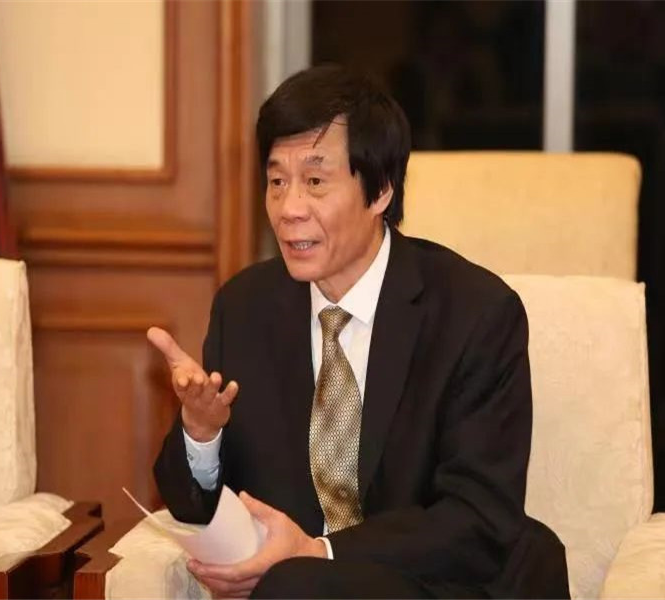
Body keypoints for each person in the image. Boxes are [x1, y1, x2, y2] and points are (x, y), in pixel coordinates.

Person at [149, 64, 568, 599]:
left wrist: (318, 552)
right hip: (296, 590)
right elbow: (195, 511)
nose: (289, 209)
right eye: (277, 182)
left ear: (380, 191)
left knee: (292, 586)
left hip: (432, 586)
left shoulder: (475, 314)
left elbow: (478, 517)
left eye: (315, 182)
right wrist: (201, 433)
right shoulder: (245, 309)